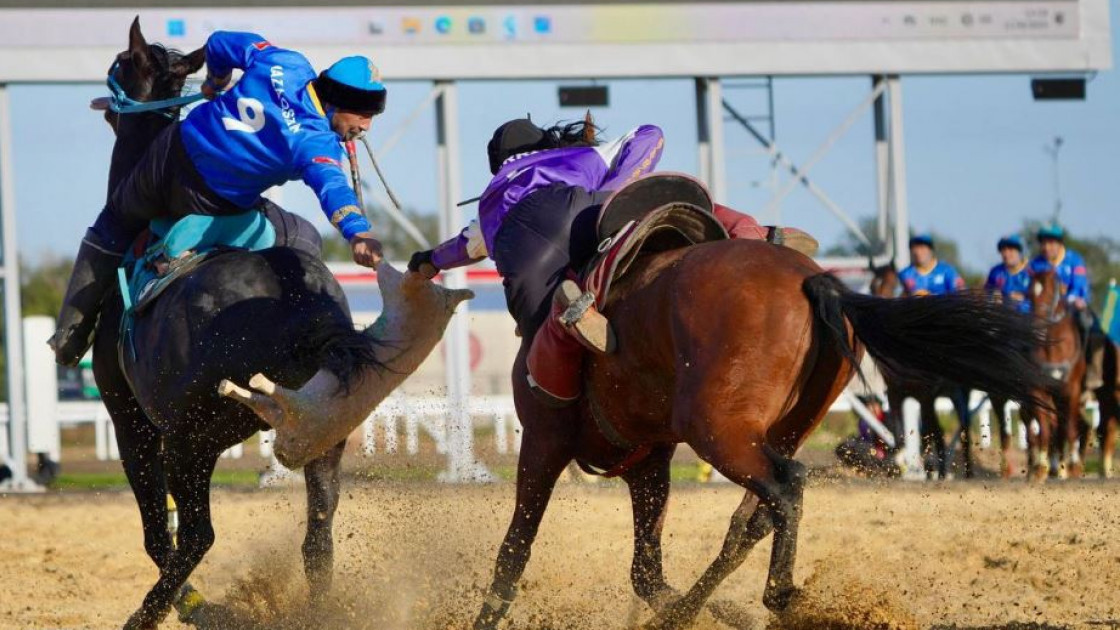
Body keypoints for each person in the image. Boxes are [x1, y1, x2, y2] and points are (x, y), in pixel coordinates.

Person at [407, 116, 811, 404]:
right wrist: (617, 190)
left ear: (499, 163)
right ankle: (753, 235)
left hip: (524, 253)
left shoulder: (492, 199)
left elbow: (460, 248)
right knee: (665, 203)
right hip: (586, 212)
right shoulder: (576, 158)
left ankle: (573, 316)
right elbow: (649, 134)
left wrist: (427, 261)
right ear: (543, 145)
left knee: (541, 365)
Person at [49, 31, 386, 366]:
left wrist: (215, 80)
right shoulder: (316, 143)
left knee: (116, 220)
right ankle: (305, 341)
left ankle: (70, 336)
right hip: (211, 204)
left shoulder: (285, 63)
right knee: (304, 236)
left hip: (164, 160)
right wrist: (358, 232)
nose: (366, 127)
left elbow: (221, 42)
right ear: (335, 102)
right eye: (362, 116)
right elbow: (333, 188)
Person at [1029, 223, 1103, 389]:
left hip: (1071, 308)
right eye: (1044, 243)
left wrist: (1071, 299)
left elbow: (1080, 286)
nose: (1047, 247)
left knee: (1091, 326)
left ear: (1060, 243)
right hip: (1043, 312)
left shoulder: (1074, 259)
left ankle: (1093, 370)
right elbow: (1031, 290)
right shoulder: (1035, 265)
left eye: (1051, 242)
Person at [898, 234, 965, 297]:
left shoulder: (947, 271)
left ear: (930, 250)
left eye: (922, 248)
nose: (918, 252)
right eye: (914, 248)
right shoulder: (905, 274)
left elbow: (960, 295)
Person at [984, 234, 1031, 313]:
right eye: (1003, 250)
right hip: (1001, 318)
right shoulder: (995, 272)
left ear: (1019, 251)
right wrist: (992, 296)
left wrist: (1023, 300)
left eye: (1010, 250)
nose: (1006, 254)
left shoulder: (1031, 272)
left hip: (1026, 319)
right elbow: (986, 294)